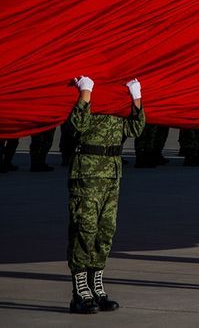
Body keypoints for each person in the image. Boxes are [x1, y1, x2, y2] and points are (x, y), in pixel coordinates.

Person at [65, 75, 144, 314]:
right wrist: (86, 92)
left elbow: (136, 128)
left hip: (111, 176)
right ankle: (80, 291)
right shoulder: (88, 107)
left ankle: (96, 285)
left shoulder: (117, 113)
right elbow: (76, 124)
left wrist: (136, 97)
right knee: (84, 229)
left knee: (105, 231)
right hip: (87, 175)